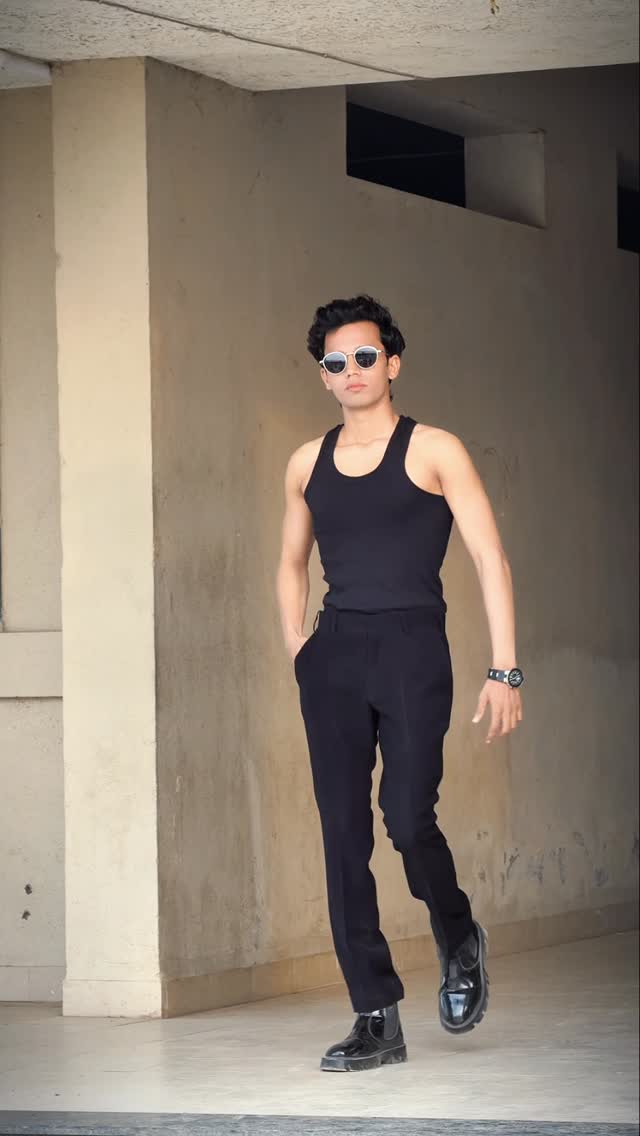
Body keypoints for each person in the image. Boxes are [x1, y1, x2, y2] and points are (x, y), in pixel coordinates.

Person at [276, 294, 524, 1072]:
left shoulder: (434, 449)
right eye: (336, 361)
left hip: (413, 648)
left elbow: (489, 557)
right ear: (323, 376)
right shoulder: (306, 462)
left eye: (365, 356)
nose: (351, 370)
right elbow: (290, 562)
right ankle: (375, 1015)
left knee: (409, 819)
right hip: (335, 657)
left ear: (392, 363)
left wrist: (504, 668)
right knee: (343, 835)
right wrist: (299, 647)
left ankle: (458, 934)